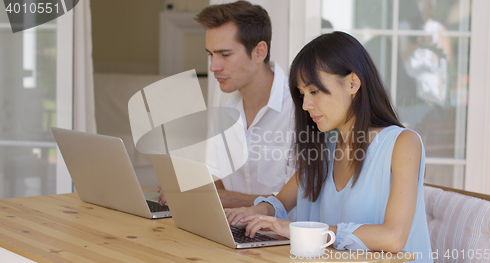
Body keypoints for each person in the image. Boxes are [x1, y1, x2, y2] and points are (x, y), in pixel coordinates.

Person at [225, 31, 432, 261]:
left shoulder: (403, 144)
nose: (305, 104)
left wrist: (304, 231)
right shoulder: (324, 146)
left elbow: (393, 237)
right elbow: (280, 202)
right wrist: (256, 211)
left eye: (314, 91)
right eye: (302, 93)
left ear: (353, 83)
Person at [158, 1, 296, 209]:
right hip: (231, 230)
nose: (214, 66)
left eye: (225, 54)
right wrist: (188, 187)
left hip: (282, 237)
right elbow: (218, 178)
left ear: (259, 52)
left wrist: (226, 198)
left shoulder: (300, 108)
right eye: (210, 54)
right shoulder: (226, 100)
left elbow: (298, 200)